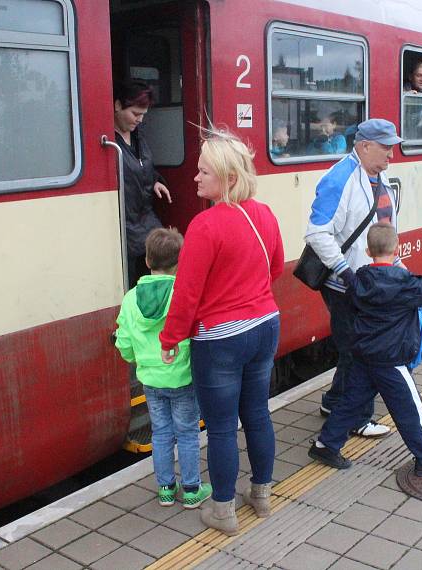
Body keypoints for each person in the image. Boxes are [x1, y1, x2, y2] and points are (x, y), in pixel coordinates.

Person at [159, 129, 284, 536]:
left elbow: (187, 293)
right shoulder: (264, 213)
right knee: (258, 413)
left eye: (203, 172)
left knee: (222, 426)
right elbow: (277, 267)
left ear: (229, 178)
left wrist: (170, 338)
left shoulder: (205, 225)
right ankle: (262, 496)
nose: (195, 178)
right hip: (265, 325)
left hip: (220, 340)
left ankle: (223, 510)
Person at [308, 223, 422, 474]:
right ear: (398, 249)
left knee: (350, 403)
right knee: (410, 411)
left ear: (368, 251)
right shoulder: (406, 286)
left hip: (363, 356)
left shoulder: (359, 280)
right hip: (390, 362)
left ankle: (325, 445)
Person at [304, 118, 405, 439]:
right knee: (361, 350)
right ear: (364, 146)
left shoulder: (378, 177)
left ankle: (334, 402)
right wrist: (345, 272)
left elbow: (384, 225)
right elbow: (317, 233)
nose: (392, 153)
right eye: (385, 146)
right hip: (346, 284)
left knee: (352, 348)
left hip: (369, 279)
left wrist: (396, 264)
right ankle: (358, 417)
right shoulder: (340, 178)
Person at [114, 228, 212, 509]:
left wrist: (136, 359)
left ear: (146, 261)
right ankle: (192, 489)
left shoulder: (131, 299)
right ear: (181, 262)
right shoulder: (183, 293)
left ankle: (166, 489)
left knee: (161, 434)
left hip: (151, 379)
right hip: (182, 378)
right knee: (188, 433)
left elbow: (123, 340)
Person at [114, 79, 172, 287]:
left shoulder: (139, 137)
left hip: (145, 217)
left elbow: (143, 167)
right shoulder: (110, 141)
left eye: (143, 115)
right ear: (117, 105)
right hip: (125, 222)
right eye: (135, 114)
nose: (139, 120)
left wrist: (155, 180)